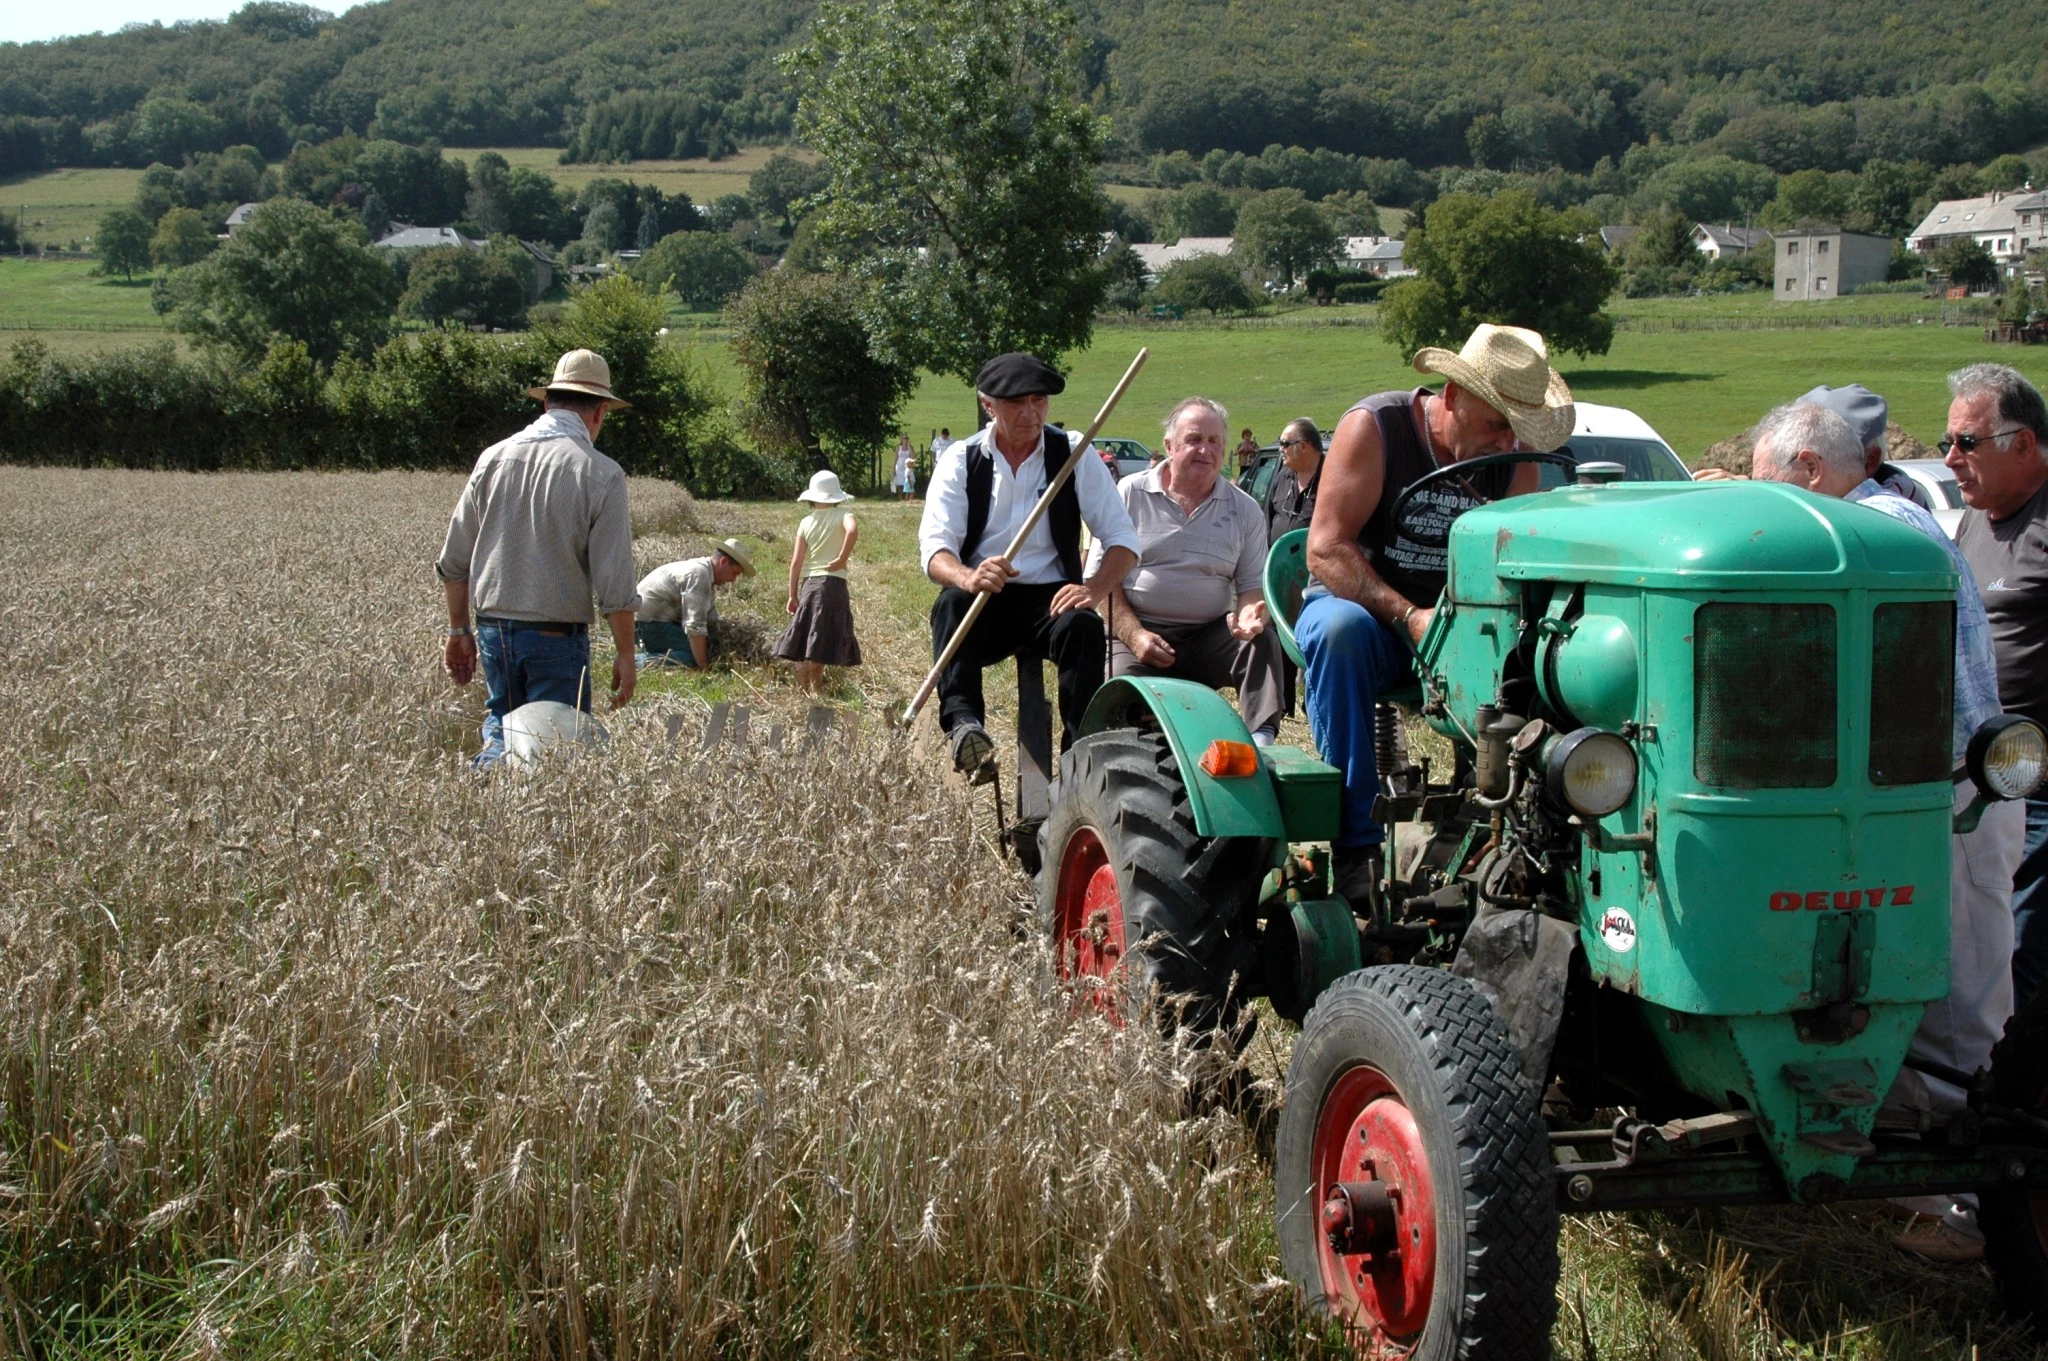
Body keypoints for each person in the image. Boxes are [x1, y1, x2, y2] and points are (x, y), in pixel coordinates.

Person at [1750, 400, 2022, 1265]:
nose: (1767, 510)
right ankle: (1915, 1180)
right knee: (1906, 992)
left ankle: (1976, 1208)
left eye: (1768, 489)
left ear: (1808, 468)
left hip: (1950, 794)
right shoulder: (1877, 521)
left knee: (1963, 1004)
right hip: (1911, 797)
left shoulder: (1879, 530)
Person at [1302, 324, 1570, 901]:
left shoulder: (1513, 461)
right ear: (1452, 397)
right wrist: (1410, 616)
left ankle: (1497, 822)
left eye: (1516, 429)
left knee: (1541, 653)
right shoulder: (1376, 428)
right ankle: (1356, 846)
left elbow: (1514, 569)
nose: (1506, 442)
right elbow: (1324, 549)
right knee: (1339, 632)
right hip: (1365, 609)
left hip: (1460, 620)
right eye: (1496, 424)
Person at [919, 352, 1140, 774]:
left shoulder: (1073, 454)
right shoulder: (962, 460)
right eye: (1016, 402)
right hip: (985, 598)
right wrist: (968, 576)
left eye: (1038, 400)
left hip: (1052, 600)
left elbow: (1123, 541)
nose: (1030, 412)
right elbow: (935, 551)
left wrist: (1093, 589)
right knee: (950, 605)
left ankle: (1080, 754)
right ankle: (965, 729)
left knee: (1084, 626)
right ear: (988, 405)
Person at [436, 349, 641, 771]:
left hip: (492, 630)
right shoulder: (601, 473)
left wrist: (459, 629)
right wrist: (625, 652)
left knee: (501, 732)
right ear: (600, 412)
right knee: (551, 758)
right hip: (554, 637)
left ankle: (482, 795)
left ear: (547, 402)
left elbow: (454, 559)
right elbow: (615, 581)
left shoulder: (493, 458)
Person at [1091, 396, 1284, 742]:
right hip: (1136, 633)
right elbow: (1102, 581)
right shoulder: (1129, 493)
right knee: (1120, 697)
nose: (1205, 450)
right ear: (1169, 445)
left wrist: (1248, 618)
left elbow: (1251, 586)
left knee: (1262, 641)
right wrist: (1134, 636)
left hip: (1207, 637)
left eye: (1214, 442)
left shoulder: (1245, 510)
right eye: (1194, 439)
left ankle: (1261, 740)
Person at [1949, 364, 2048, 1012]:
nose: (1950, 458)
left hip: (2038, 785)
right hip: (1981, 780)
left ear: (2025, 443)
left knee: (2022, 953)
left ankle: (2010, 1072)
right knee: (1982, 950)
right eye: (1947, 442)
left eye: (1967, 442)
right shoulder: (1975, 520)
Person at [776, 470, 862, 692]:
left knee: (808, 632)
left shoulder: (805, 522)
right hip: (834, 584)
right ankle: (816, 688)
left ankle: (804, 685)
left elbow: (796, 561)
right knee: (821, 633)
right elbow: (852, 530)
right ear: (836, 496)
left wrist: (792, 595)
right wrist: (842, 558)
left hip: (809, 584)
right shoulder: (844, 514)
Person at [1266, 417, 1324, 716]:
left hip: (1317, 578)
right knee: (1278, 637)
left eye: (1285, 444)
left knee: (1313, 638)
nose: (1281, 449)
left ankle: (1314, 705)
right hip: (1282, 574)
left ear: (1305, 446)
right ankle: (1282, 705)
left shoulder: (1331, 479)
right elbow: (1268, 518)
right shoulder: (1282, 477)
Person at [635, 539, 756, 668]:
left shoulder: (705, 573)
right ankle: (636, 662)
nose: (733, 580)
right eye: (734, 573)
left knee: (704, 647)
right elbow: (695, 626)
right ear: (723, 561)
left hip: (649, 622)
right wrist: (703, 665)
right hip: (646, 625)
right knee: (694, 656)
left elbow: (710, 620)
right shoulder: (699, 575)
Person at [892, 435, 917, 499]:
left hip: (907, 468)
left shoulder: (910, 447)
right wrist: (894, 469)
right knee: (900, 484)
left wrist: (909, 447)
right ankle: (900, 498)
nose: (906, 440)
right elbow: (895, 458)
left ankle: (907, 497)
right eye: (904, 438)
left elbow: (913, 456)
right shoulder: (898, 447)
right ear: (902, 440)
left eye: (907, 438)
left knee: (907, 483)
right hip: (899, 468)